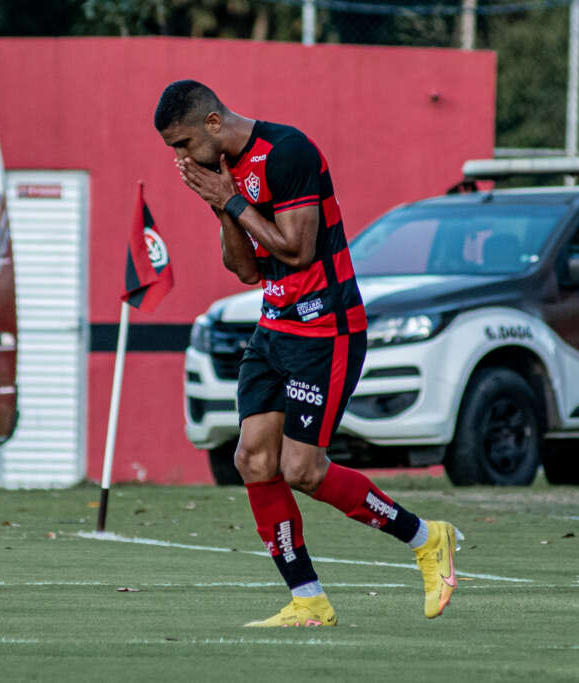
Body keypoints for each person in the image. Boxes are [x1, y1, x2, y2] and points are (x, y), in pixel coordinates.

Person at [154, 80, 460, 626]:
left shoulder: (287, 152)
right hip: (273, 328)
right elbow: (247, 270)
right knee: (252, 459)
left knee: (303, 469)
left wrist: (231, 200)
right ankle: (308, 600)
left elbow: (296, 250)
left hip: (326, 330)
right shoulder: (225, 173)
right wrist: (222, 207)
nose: (180, 157)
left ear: (213, 123)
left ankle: (426, 538)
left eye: (182, 143)